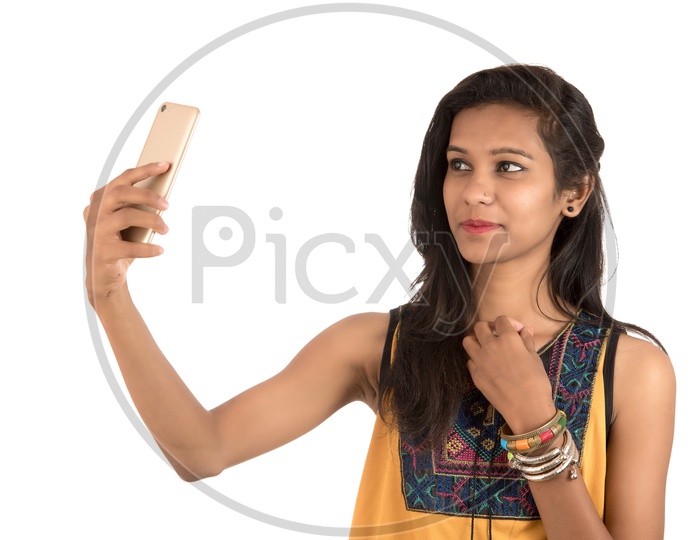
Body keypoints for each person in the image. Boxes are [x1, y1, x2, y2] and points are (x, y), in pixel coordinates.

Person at [83, 64, 675, 539]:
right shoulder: (376, 347)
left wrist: (537, 427)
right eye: (459, 164)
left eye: (509, 167)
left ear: (573, 192)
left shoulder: (631, 371)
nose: (475, 189)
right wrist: (109, 295)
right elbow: (201, 452)